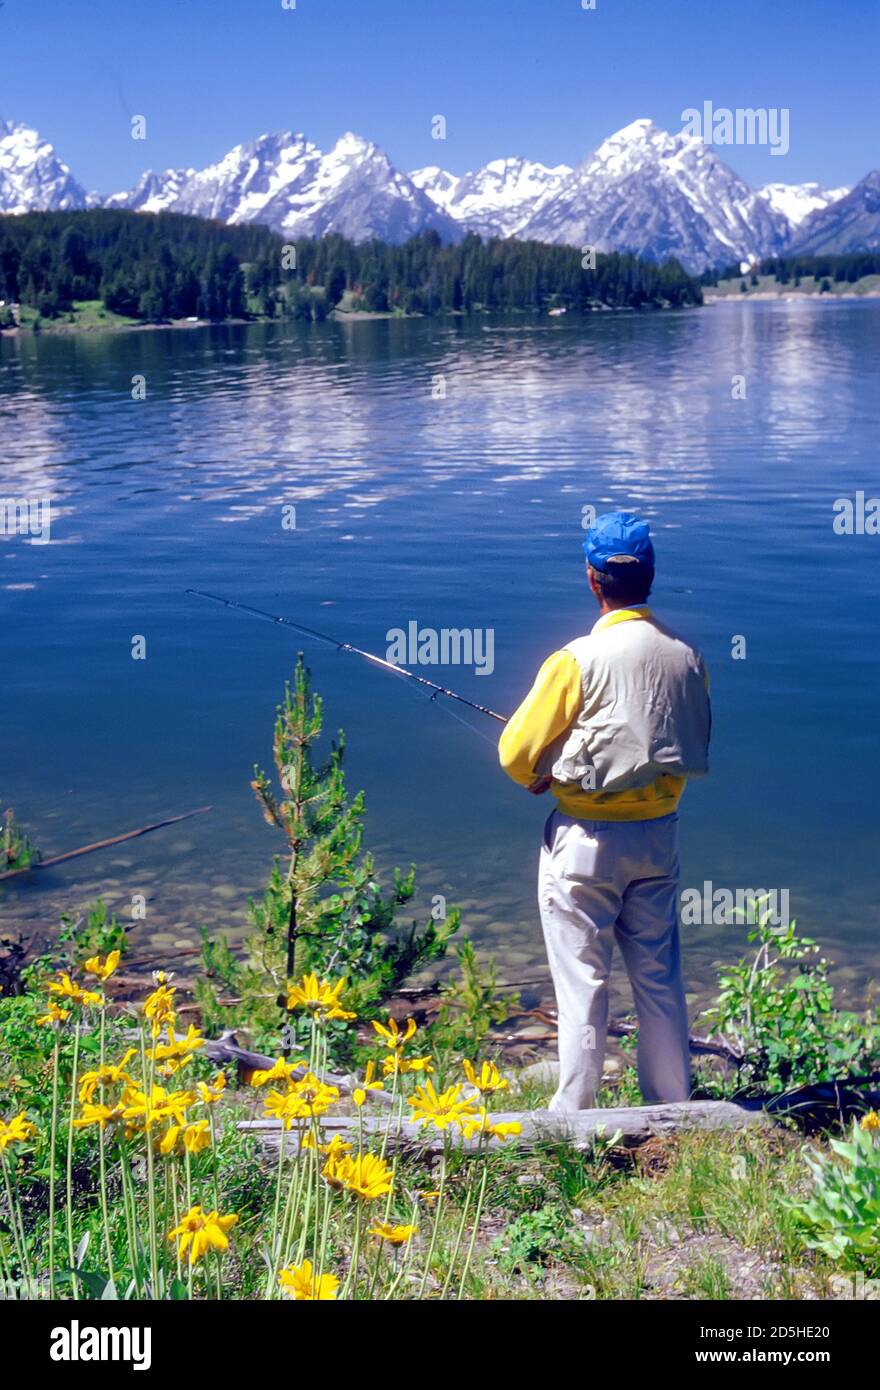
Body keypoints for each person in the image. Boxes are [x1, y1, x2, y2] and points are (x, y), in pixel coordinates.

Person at [499, 512, 711, 1111]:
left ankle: (574, 1113)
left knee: (583, 982)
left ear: (593, 580)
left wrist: (544, 774)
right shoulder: (688, 656)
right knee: (660, 977)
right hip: (658, 836)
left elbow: (515, 754)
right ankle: (673, 1107)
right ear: (650, 576)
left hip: (584, 843)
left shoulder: (575, 660)